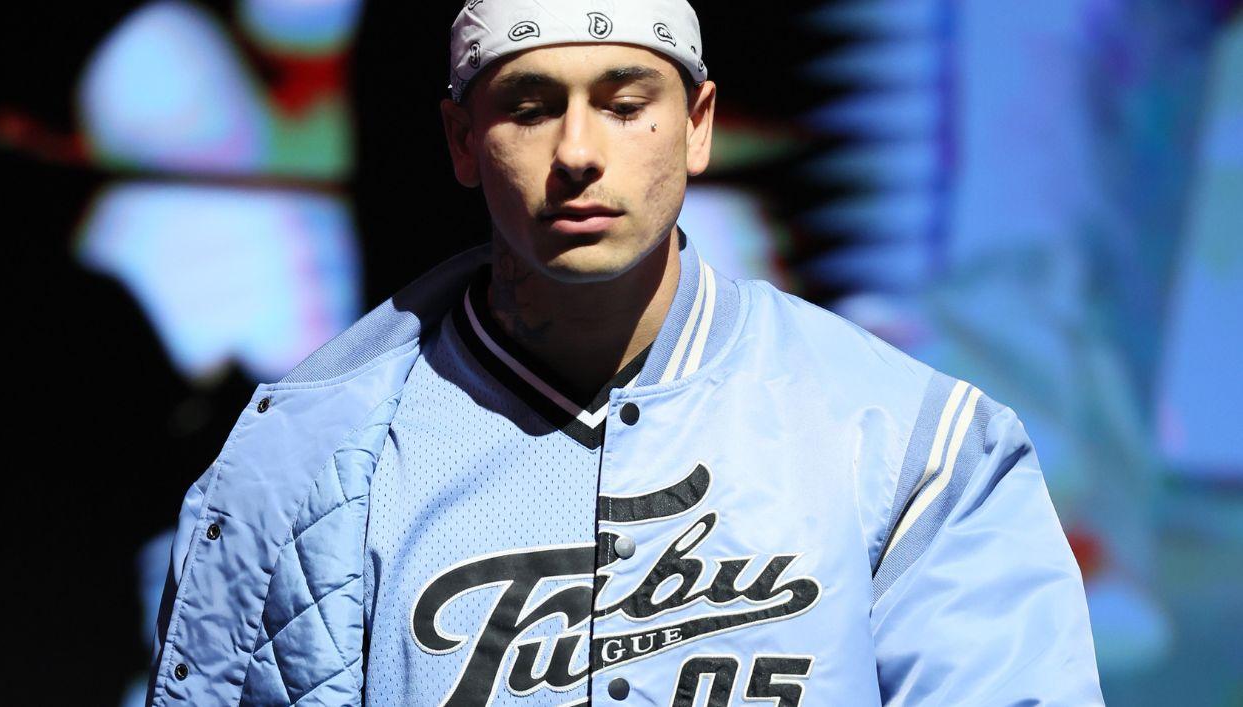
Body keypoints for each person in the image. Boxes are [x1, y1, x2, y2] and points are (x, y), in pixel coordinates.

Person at [146, 1, 1104, 705]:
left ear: (698, 127)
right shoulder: (307, 463)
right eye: (528, 105)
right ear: (462, 139)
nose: (577, 151)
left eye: (623, 100)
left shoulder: (911, 447)